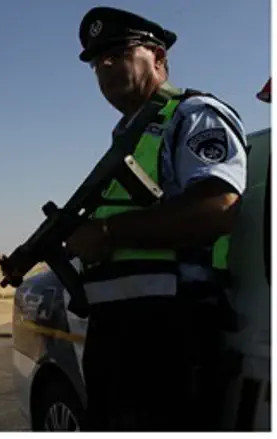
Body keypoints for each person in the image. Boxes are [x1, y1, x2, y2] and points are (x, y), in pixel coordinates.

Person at [65, 6, 248, 431]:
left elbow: (218, 206)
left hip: (171, 331)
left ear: (159, 58)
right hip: (120, 335)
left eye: (117, 51)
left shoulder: (192, 115)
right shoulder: (127, 138)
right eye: (96, 61)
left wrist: (108, 232)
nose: (104, 65)